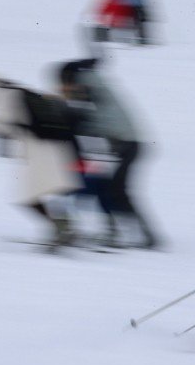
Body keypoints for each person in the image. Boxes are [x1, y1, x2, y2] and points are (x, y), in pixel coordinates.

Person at [0, 78, 83, 248]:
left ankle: (62, 229)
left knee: (28, 196)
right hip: (50, 149)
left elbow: (0, 125)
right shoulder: (21, 92)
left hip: (38, 151)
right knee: (37, 193)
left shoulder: (2, 95)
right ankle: (63, 227)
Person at [58, 59, 160, 249]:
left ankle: (146, 236)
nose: (67, 89)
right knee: (116, 191)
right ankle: (141, 235)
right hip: (128, 145)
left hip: (129, 145)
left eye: (66, 83)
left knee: (117, 192)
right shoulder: (93, 86)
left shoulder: (91, 87)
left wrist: (71, 117)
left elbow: (90, 118)